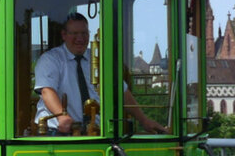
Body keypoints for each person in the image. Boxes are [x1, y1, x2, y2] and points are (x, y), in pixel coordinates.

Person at [34, 12, 165, 135]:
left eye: (84, 33)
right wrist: (62, 116)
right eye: (74, 33)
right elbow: (47, 91)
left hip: (95, 132)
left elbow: (121, 91)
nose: (80, 38)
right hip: (58, 132)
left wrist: (144, 120)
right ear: (64, 35)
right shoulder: (51, 60)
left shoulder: (99, 59)